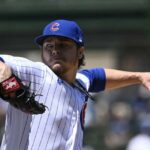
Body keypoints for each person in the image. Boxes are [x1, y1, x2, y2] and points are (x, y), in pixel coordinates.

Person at [0, 19, 150, 150]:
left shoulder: (79, 84)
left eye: (63, 45)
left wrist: (139, 76)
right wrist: (11, 87)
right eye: (49, 46)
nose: (54, 51)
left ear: (80, 52)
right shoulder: (37, 73)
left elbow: (98, 77)